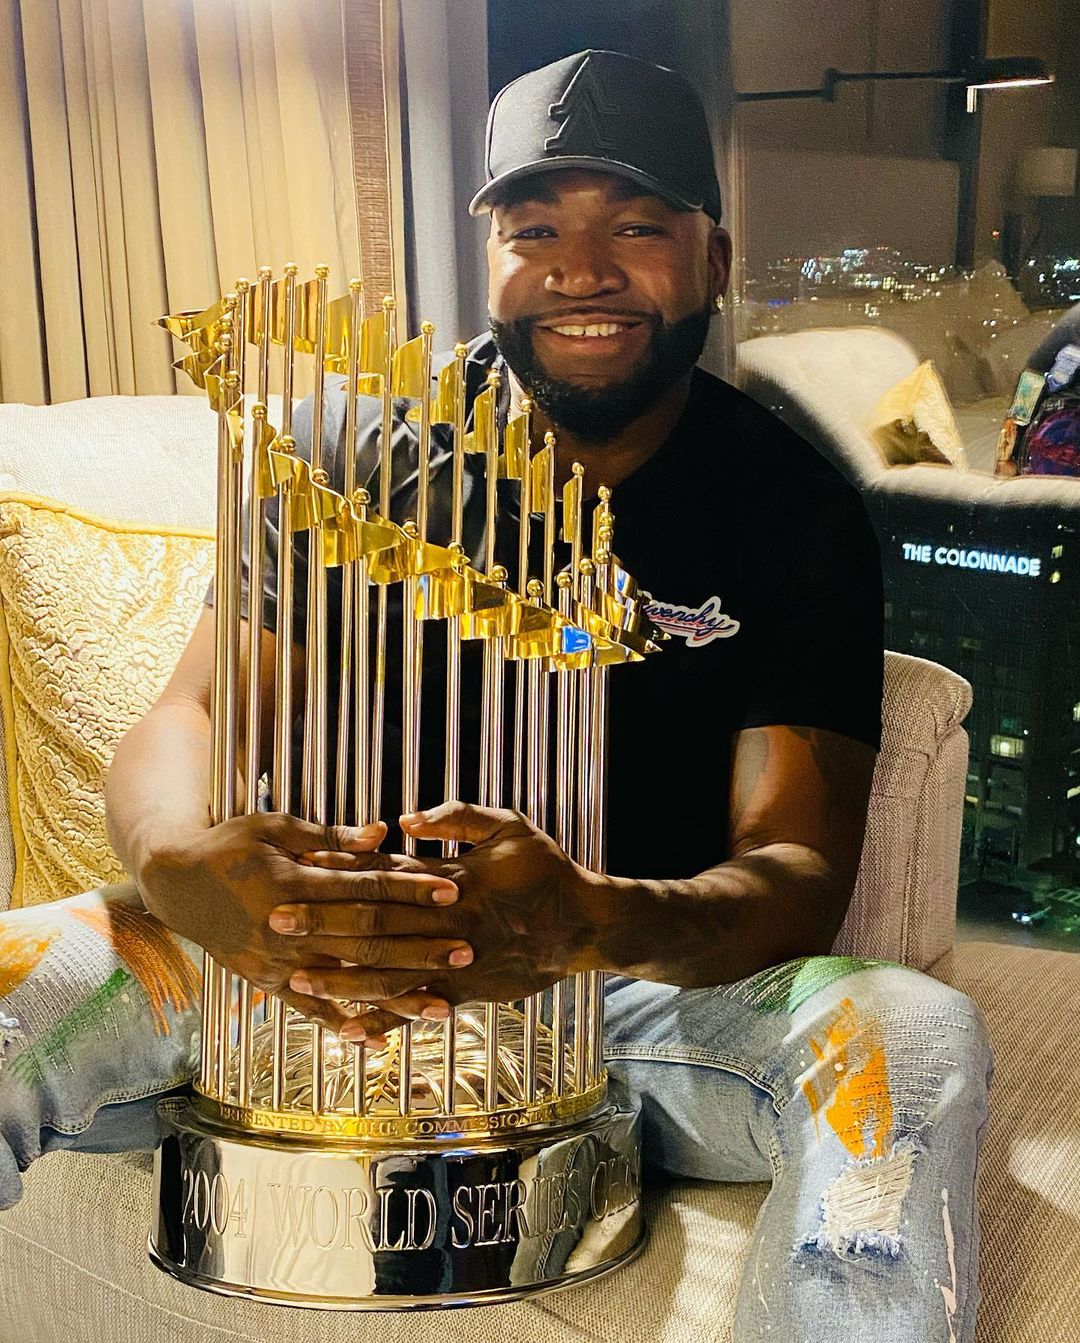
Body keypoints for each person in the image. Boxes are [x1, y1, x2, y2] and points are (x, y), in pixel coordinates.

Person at [13, 50, 991, 1342]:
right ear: (493, 259)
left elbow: (798, 869)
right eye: (537, 231)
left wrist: (589, 923)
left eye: (637, 228)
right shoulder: (344, 453)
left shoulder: (789, 504)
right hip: (298, 970)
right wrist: (183, 858)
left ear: (713, 258)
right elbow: (190, 713)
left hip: (626, 997)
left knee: (907, 1031)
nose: (583, 269)